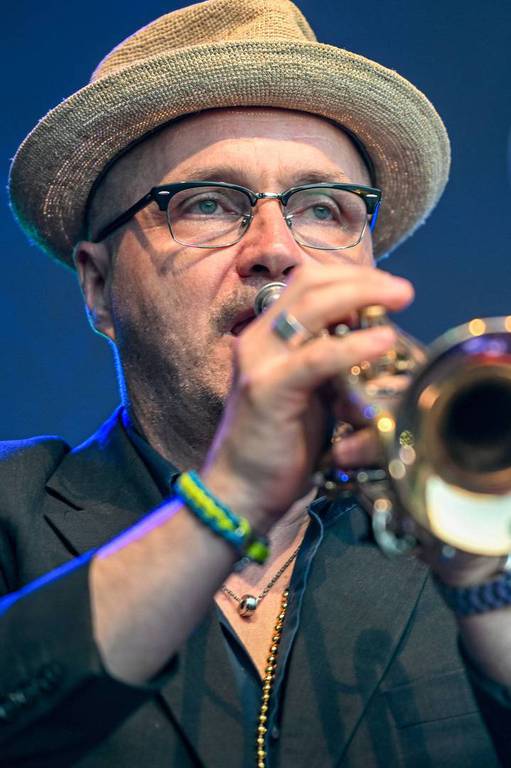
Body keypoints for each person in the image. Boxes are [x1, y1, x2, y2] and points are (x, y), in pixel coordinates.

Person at [3, 1, 511, 766]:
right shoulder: (12, 510)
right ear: (99, 287)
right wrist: (228, 501)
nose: (276, 251)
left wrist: (480, 579)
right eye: (207, 203)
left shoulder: (480, 541)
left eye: (323, 209)